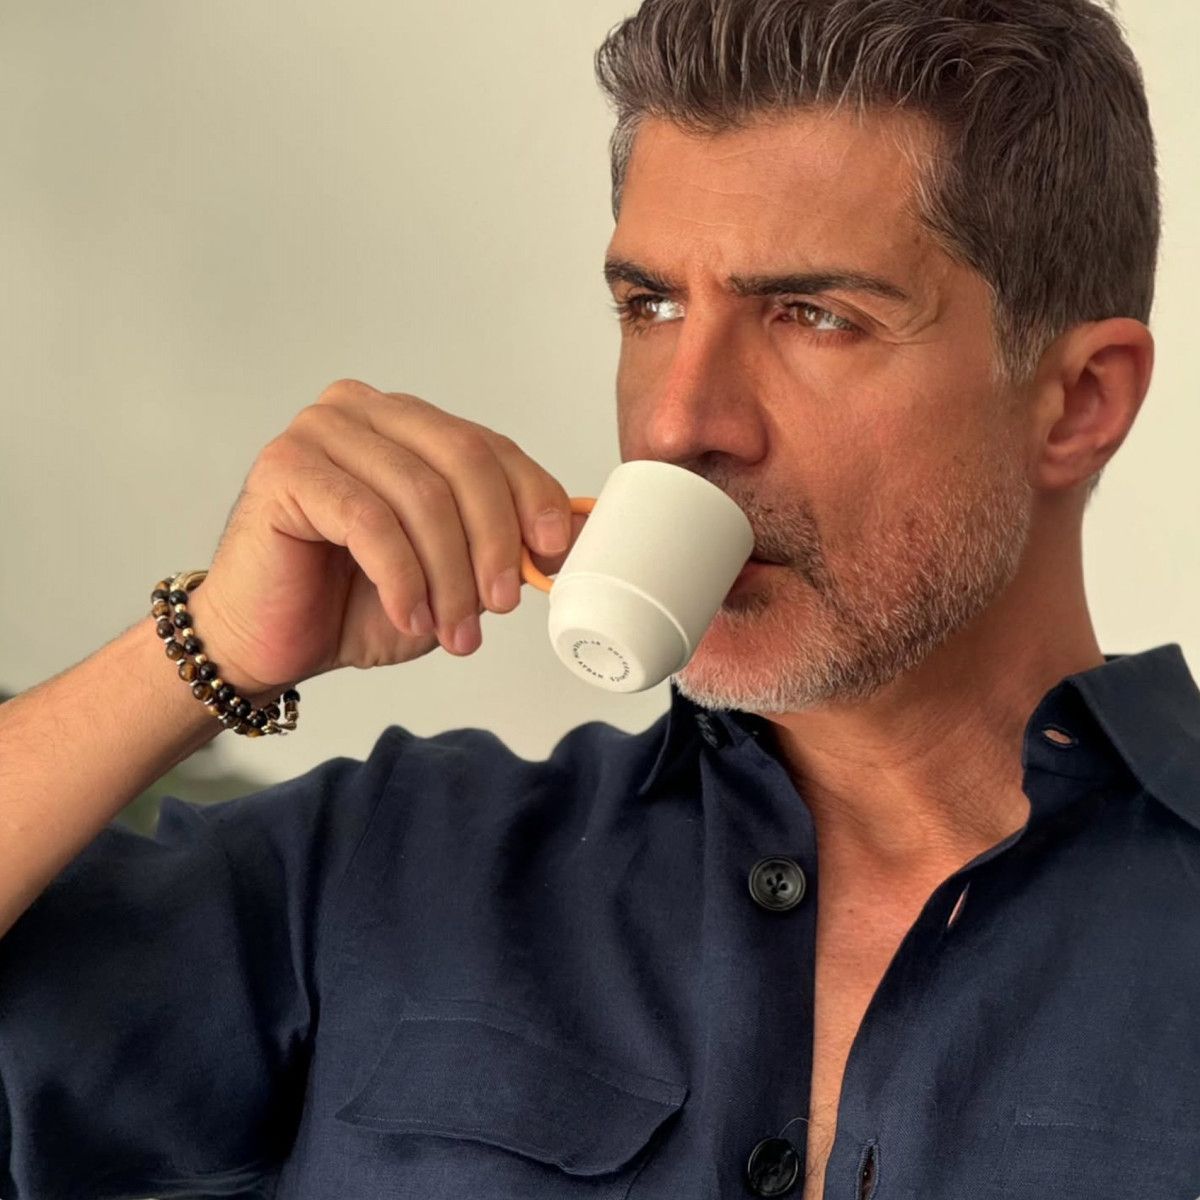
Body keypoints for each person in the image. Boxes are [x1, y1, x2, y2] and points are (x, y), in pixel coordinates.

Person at [1, 0, 1194, 1197]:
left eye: (816, 317)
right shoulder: (393, 868)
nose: (678, 424)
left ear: (1082, 402)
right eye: (651, 307)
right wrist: (210, 648)